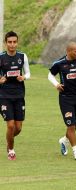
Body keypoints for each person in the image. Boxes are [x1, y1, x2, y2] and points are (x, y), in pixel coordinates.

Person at [48, 42, 76, 160]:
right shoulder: (59, 63)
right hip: (65, 98)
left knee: (74, 124)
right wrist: (56, 84)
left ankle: (64, 140)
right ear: (68, 51)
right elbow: (50, 75)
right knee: (71, 125)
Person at [0, 31, 31, 160]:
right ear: (5, 43)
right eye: (9, 42)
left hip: (19, 95)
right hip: (4, 96)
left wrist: (24, 77)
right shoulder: (1, 57)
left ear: (17, 42)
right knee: (11, 125)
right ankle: (11, 150)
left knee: (18, 128)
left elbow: (28, 73)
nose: (12, 45)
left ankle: (9, 140)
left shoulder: (22, 56)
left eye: (14, 42)